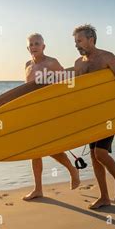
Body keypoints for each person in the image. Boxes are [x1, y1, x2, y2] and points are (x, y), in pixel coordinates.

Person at [72, 24, 115, 209]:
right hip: (91, 115)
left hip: (109, 113)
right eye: (75, 41)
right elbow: (78, 93)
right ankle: (104, 197)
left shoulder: (106, 57)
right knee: (94, 157)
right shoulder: (78, 64)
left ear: (91, 39)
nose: (76, 45)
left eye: (79, 40)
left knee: (100, 153)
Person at [23, 33, 80, 200]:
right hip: (33, 112)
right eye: (31, 44)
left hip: (49, 111)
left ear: (43, 46)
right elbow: (26, 90)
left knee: (50, 148)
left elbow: (67, 84)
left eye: (37, 43)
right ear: (28, 48)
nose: (34, 46)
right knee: (35, 150)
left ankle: (72, 169)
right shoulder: (27, 65)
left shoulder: (51, 63)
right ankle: (38, 189)